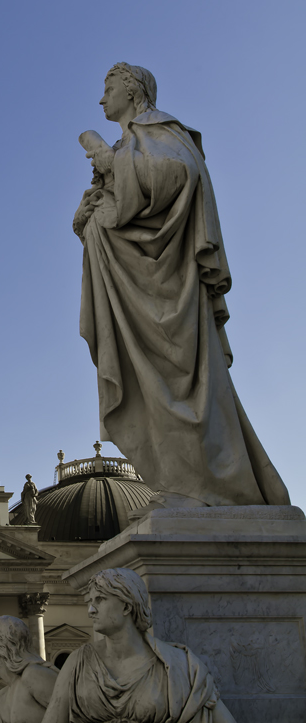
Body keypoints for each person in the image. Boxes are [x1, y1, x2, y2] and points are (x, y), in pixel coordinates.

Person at [73, 63, 289, 509]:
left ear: (131, 90)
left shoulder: (160, 131)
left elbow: (181, 176)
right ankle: (181, 483)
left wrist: (114, 164)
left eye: (108, 88)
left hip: (168, 288)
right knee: (153, 392)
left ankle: (206, 486)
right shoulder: (132, 142)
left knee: (183, 385)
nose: (101, 99)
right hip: (136, 290)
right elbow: (122, 209)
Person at [0, 568, 243, 723]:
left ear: (126, 605)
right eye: (90, 601)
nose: (91, 609)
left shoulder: (176, 664)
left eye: (100, 600)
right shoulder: (79, 661)